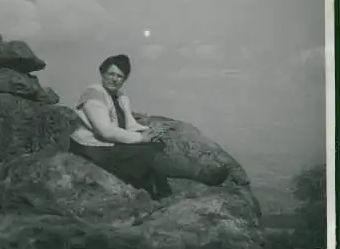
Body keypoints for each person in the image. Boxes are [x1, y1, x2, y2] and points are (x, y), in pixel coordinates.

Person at [69, 54, 230, 200]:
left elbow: (129, 124)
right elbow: (105, 131)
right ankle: (198, 176)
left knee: (155, 144)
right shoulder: (93, 95)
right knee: (146, 152)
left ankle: (161, 190)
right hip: (91, 147)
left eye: (120, 76)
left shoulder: (120, 97)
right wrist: (140, 138)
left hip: (108, 143)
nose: (115, 79)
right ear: (102, 74)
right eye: (111, 74)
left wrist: (149, 132)